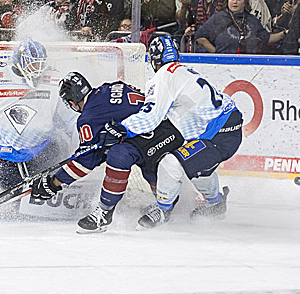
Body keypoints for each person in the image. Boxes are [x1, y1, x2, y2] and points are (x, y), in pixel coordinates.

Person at [102, 34, 243, 230]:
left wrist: (122, 128)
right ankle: (216, 204)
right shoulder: (183, 71)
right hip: (228, 126)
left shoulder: (163, 76)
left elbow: (151, 117)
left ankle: (163, 210)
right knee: (197, 165)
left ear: (153, 59)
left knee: (171, 163)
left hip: (220, 132)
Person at [29, 71, 185, 234]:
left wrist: (55, 183)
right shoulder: (111, 87)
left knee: (119, 155)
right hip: (171, 128)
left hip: (151, 139)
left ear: (72, 102)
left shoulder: (88, 118)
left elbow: (85, 160)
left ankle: (104, 213)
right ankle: (167, 204)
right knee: (140, 158)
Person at [0, 40, 75, 202]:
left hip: (43, 149)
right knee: (7, 207)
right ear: (19, 62)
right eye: (33, 65)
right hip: (6, 153)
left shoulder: (54, 79)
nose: (38, 70)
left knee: (44, 200)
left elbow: (67, 116)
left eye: (41, 65)